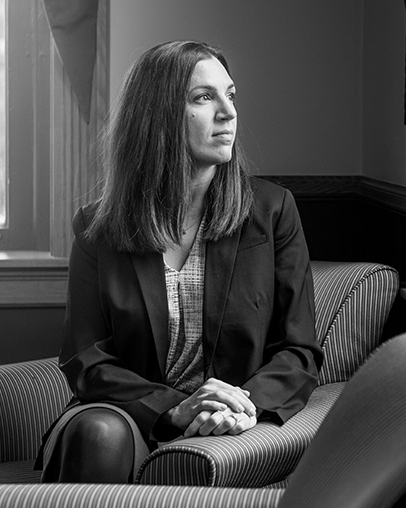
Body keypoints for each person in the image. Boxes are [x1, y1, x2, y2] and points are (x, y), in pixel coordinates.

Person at [37, 40, 323, 484]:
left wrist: (237, 404)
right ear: (157, 116)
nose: (227, 113)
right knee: (98, 433)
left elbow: (298, 349)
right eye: (204, 97)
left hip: (234, 419)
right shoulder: (98, 227)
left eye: (230, 95)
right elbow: (86, 359)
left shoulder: (272, 211)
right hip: (131, 413)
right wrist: (175, 407)